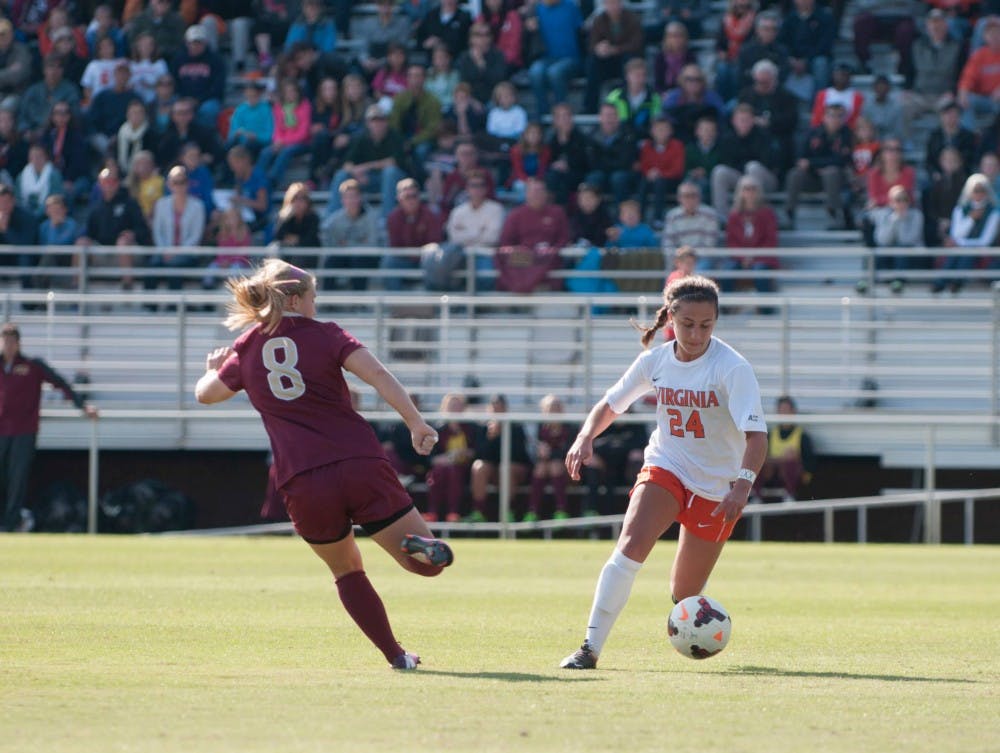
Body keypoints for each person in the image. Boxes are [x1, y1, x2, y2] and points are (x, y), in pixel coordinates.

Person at [194, 259, 454, 670]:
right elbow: (378, 374)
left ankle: (398, 657)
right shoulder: (328, 334)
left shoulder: (246, 347)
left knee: (347, 571)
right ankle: (417, 547)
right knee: (425, 569)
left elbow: (205, 395)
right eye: (313, 296)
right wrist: (415, 422)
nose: (316, 304)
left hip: (302, 479)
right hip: (359, 463)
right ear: (296, 299)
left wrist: (211, 370)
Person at [559, 274, 767, 669]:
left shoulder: (733, 368)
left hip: (718, 485)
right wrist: (585, 436)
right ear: (671, 318)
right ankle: (589, 649)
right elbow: (609, 405)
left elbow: (757, 438)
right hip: (666, 465)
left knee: (685, 593)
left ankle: (690, 626)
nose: (696, 333)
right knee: (631, 546)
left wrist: (742, 487)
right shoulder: (654, 361)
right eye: (688, 324)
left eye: (706, 325)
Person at [0, 322, 98, 532]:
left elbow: (60, 383)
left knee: (17, 479)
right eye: (4, 341)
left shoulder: (32, 366)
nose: (7, 345)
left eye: (11, 341)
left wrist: (82, 405)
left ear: (18, 344)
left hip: (23, 430)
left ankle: (9, 524)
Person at [753, 395, 814, 502]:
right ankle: (756, 496)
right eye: (781, 410)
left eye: (786, 410)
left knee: (791, 461)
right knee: (757, 459)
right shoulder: (770, 434)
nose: (783, 413)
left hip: (792, 476)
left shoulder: (802, 436)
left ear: (793, 412)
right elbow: (763, 457)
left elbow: (809, 464)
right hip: (771, 475)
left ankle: (790, 495)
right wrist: (780, 459)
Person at [525, 394, 573, 522]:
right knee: (540, 468)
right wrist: (538, 451)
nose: (554, 412)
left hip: (570, 472)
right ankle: (532, 512)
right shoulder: (539, 429)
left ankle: (561, 511)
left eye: (557, 408)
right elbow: (532, 453)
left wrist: (550, 453)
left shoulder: (570, 428)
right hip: (544, 468)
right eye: (550, 409)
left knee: (555, 466)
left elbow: (569, 452)